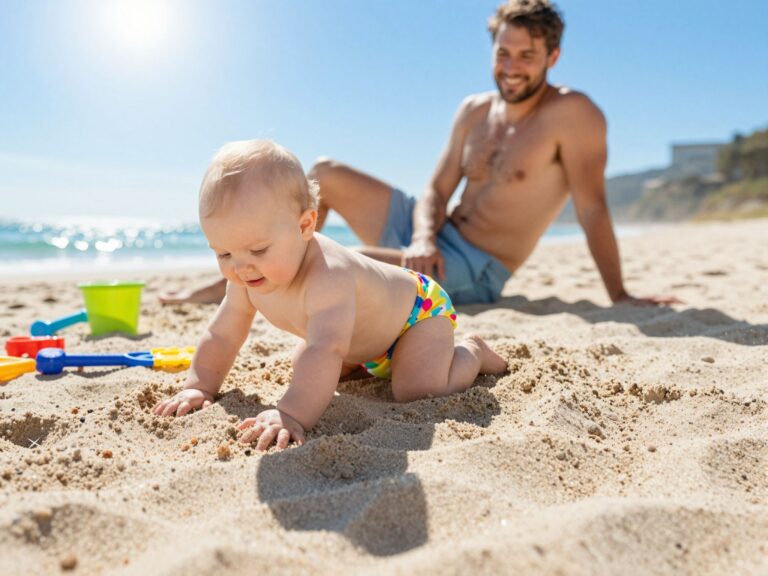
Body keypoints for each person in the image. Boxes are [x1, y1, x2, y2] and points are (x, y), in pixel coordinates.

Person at [159, 0, 677, 307]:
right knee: (325, 173)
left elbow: (592, 208)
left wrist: (620, 295)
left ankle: (230, 290)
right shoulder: (475, 109)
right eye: (503, 53)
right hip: (429, 235)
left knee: (333, 258)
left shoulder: (573, 114)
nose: (511, 66)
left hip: (472, 266)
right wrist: (424, 234)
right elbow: (436, 188)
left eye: (527, 56)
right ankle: (239, 274)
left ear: (552, 57)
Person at [152, 140, 507, 451]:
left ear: (305, 225)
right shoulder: (246, 278)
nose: (241, 267)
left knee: (416, 389)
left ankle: (472, 352)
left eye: (258, 250)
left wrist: (290, 413)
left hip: (415, 315)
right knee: (307, 364)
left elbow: (326, 348)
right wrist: (199, 386)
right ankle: (369, 364)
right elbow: (222, 335)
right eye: (224, 253)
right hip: (361, 339)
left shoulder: (329, 276)